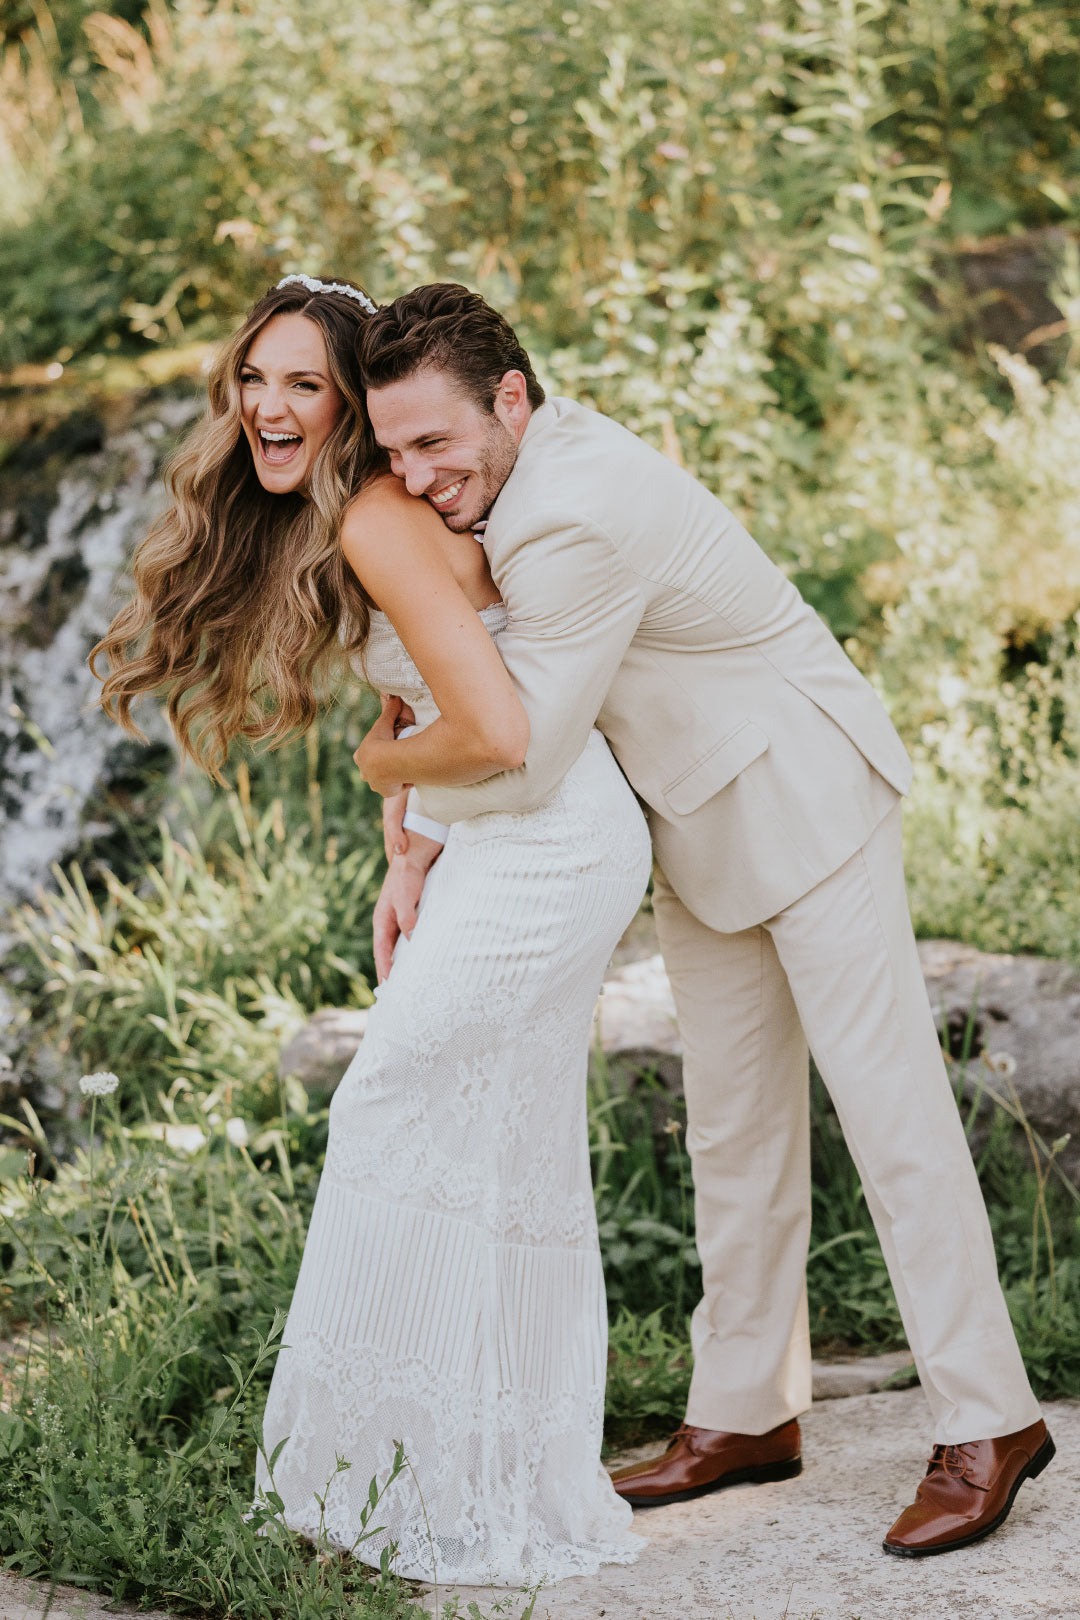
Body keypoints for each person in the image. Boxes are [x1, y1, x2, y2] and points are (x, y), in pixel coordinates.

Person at [352, 282, 1054, 1559]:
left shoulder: (571, 514)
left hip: (806, 793)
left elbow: (526, 754)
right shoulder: (513, 481)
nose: (416, 476)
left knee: (889, 1115)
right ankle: (745, 1414)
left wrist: (379, 767)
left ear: (514, 399)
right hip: (701, 816)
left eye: (436, 444)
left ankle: (989, 1422)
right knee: (730, 1130)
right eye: (392, 452)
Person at [90, 274, 649, 1586]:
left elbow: (498, 728)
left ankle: (367, 1491)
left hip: (552, 839)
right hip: (499, 837)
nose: (270, 407)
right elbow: (433, 684)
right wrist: (410, 858)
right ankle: (479, 1477)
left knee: (389, 1105)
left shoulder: (385, 520)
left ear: (352, 409)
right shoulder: (343, 519)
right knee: (499, 1144)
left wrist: (376, 782)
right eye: (255, 380)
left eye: (305, 385)